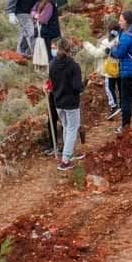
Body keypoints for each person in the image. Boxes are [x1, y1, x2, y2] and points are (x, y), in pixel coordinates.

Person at [48, 38, 85, 169]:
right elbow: (77, 86)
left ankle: (68, 153)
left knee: (66, 127)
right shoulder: (74, 66)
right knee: (72, 129)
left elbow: (51, 83)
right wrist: (83, 86)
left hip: (58, 101)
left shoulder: (52, 64)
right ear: (70, 49)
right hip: (71, 102)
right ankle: (65, 160)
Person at [31, 0, 63, 67]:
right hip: (46, 31)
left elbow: (43, 19)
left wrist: (36, 16)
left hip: (49, 33)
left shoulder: (50, 2)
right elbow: (33, 10)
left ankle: (52, 70)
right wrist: (36, 15)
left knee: (49, 54)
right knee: (47, 52)